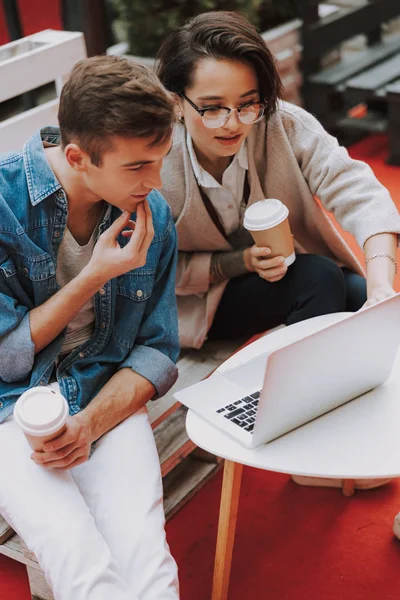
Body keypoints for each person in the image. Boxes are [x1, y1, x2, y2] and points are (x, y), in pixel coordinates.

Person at [155, 11, 400, 491]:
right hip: (188, 303)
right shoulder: (153, 158)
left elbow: (361, 193)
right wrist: (235, 263)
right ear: (176, 102)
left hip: (279, 279)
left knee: (359, 297)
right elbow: (145, 274)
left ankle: (340, 422)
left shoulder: (281, 125)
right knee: (322, 280)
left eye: (248, 104)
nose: (233, 123)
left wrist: (381, 282)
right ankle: (307, 441)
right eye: (212, 108)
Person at [0, 55, 180, 599]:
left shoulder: (154, 217)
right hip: (11, 404)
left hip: (102, 384)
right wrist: (97, 274)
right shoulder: (3, 205)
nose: (154, 182)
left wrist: (91, 424)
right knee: (81, 562)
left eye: (161, 159)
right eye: (136, 167)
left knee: (147, 561)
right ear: (77, 156)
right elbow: (5, 359)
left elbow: (155, 350)